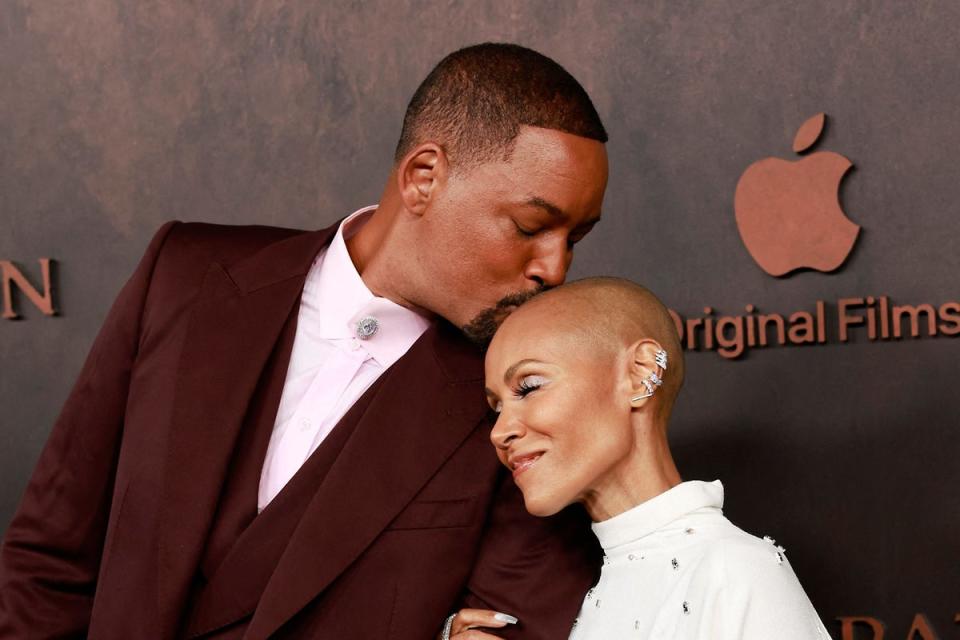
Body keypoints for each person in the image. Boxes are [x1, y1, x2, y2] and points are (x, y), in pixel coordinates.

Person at [0, 44, 609, 639]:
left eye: (574, 237)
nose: (554, 269)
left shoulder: (519, 394)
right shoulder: (185, 272)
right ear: (424, 178)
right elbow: (49, 560)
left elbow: (525, 614)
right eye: (531, 227)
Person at [446, 277, 831, 639]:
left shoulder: (735, 571)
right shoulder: (586, 588)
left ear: (640, 373)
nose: (500, 432)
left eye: (529, 387)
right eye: (497, 408)